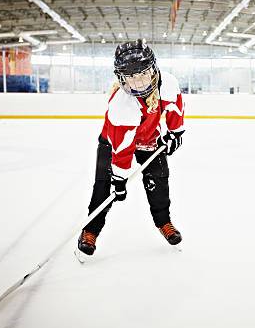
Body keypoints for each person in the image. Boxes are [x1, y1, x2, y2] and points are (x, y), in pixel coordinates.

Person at [77, 39, 185, 258]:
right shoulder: (121, 104)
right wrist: (119, 179)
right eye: (131, 78)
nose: (139, 83)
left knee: (159, 179)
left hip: (148, 139)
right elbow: (122, 149)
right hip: (113, 143)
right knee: (103, 186)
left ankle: (163, 222)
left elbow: (175, 109)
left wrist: (175, 133)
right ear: (122, 79)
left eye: (144, 74)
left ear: (153, 69)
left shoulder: (168, 83)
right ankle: (90, 231)